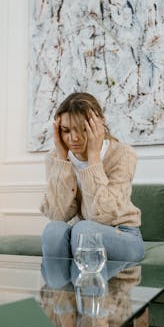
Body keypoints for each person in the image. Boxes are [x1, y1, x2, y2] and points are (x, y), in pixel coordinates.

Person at [40, 92, 144, 262]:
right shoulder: (55, 158)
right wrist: (61, 159)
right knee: (53, 230)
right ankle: (58, 289)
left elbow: (102, 216)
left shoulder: (123, 154)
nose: (73, 138)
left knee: (86, 230)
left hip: (123, 234)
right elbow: (57, 215)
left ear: (99, 125)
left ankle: (88, 287)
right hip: (79, 233)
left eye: (83, 130)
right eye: (65, 131)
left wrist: (93, 157)